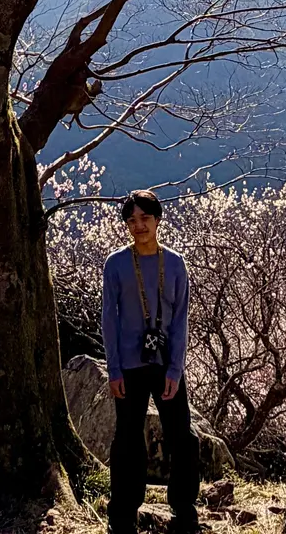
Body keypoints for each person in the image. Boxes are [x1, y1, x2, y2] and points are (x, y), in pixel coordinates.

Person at [101, 189, 200, 534]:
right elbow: (109, 320)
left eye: (145, 218)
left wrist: (176, 368)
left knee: (182, 436)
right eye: (131, 220)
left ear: (157, 220)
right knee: (127, 437)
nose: (138, 225)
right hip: (128, 365)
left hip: (165, 363)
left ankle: (185, 507)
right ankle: (123, 511)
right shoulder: (115, 264)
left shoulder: (174, 263)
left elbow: (181, 318)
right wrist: (113, 368)